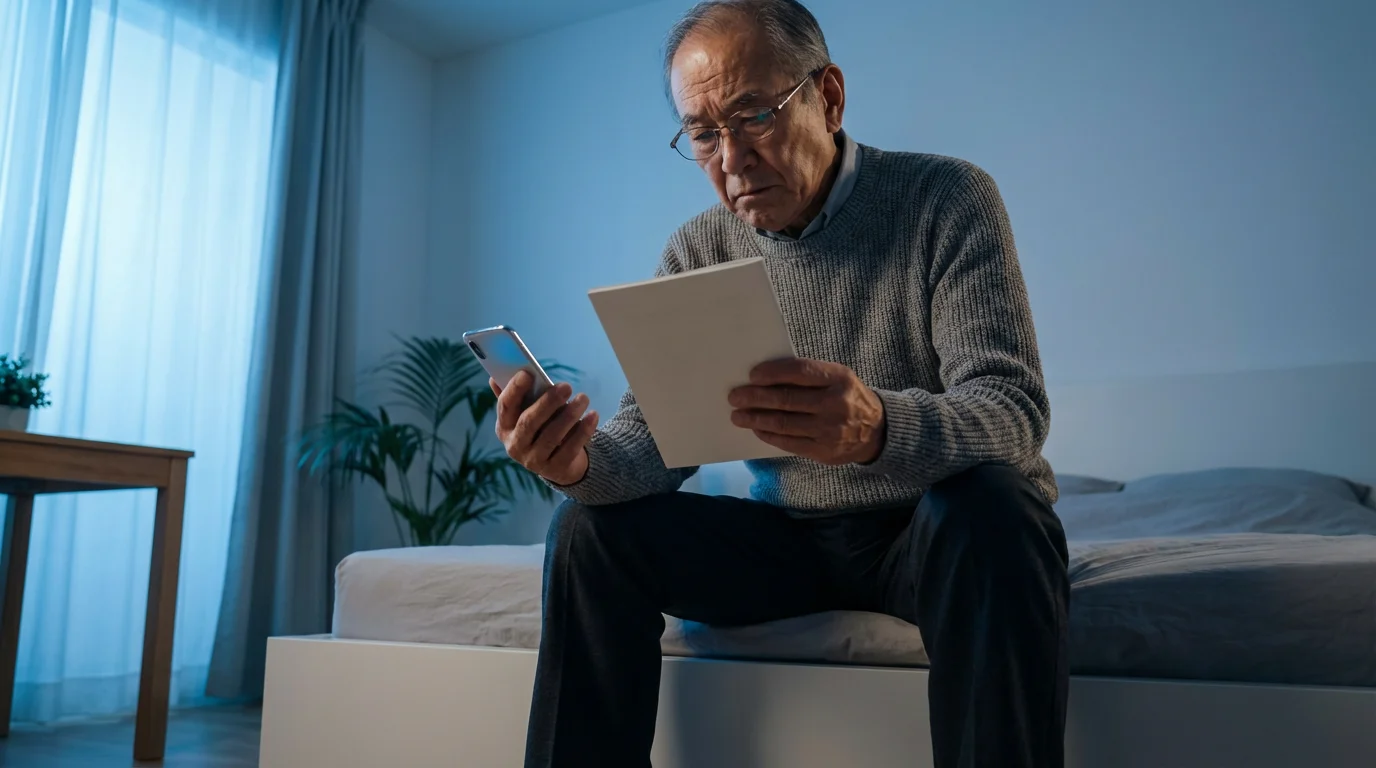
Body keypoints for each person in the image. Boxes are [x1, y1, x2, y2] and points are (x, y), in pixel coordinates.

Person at [492, 1, 1069, 766]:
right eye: (702, 132)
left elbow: (1012, 410)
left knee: (995, 507)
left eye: (753, 114)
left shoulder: (946, 199)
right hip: (791, 542)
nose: (729, 159)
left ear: (827, 97)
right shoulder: (697, 248)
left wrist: (878, 431)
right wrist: (580, 466)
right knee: (587, 529)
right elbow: (654, 445)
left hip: (931, 535)